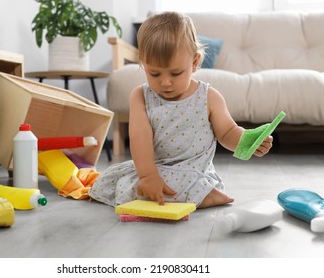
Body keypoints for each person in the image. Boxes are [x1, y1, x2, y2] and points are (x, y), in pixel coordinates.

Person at [88, 12, 273, 208]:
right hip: (154, 169)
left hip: (195, 173)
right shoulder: (140, 96)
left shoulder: (209, 97)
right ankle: (193, 196)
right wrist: (148, 176)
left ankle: (206, 194)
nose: (165, 82)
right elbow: (139, 138)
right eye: (154, 73)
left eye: (176, 73)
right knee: (107, 182)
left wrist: (248, 141)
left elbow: (227, 132)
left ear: (194, 63)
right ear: (143, 63)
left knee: (178, 184)